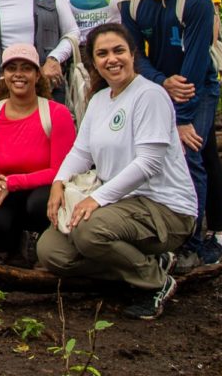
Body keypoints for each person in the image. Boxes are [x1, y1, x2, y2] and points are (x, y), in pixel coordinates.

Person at [37, 23, 198, 320]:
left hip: (164, 207)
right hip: (119, 206)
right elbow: (81, 151)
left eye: (118, 50)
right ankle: (142, 263)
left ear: (132, 54)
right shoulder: (99, 100)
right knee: (51, 252)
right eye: (102, 53)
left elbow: (149, 163)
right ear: (93, 62)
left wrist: (97, 199)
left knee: (90, 232)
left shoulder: (149, 96)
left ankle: (155, 282)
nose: (112, 59)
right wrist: (59, 182)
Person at [134, 0, 222, 259]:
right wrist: (159, 83)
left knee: (193, 153)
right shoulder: (134, 2)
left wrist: (182, 117)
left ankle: (194, 241)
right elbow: (134, 54)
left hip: (197, 85)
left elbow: (196, 54)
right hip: (160, 83)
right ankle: (161, 234)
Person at [0, 44, 77, 261]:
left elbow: (60, 170)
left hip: (43, 189)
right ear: (3, 75)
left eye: (26, 68)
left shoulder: (57, 114)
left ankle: (47, 246)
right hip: (6, 190)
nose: (18, 74)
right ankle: (12, 246)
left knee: (38, 205)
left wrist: (13, 182)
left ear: (38, 75)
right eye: (12, 68)